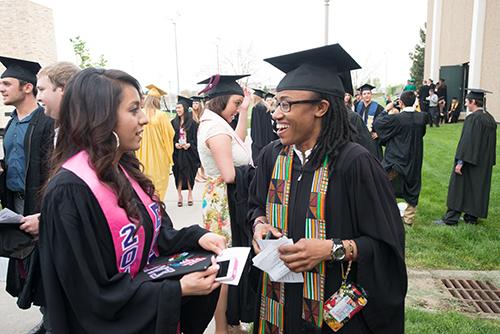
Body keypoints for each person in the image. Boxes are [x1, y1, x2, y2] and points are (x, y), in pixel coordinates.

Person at [39, 68, 225, 333]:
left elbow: (153, 238)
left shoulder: (124, 170)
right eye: (133, 109)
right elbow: (89, 296)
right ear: (100, 118)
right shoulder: (71, 190)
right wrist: (176, 290)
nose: (144, 119)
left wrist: (196, 237)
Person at [250, 44, 407, 334]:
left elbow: (387, 246)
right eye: (275, 103)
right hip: (277, 305)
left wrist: (332, 250)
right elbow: (256, 205)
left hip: (333, 313)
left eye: (286, 104)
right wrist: (259, 225)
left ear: (321, 108)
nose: (275, 114)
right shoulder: (272, 156)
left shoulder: (355, 164)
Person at [0, 56, 55, 333]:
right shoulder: (10, 125)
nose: (2, 88)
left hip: (40, 205)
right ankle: (49, 317)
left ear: (27, 88)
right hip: (17, 204)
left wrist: (48, 212)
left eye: (7, 83)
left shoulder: (46, 123)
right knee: (27, 265)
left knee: (48, 265)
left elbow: (53, 170)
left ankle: (52, 319)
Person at [197, 74, 253, 333]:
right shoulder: (216, 128)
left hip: (220, 199)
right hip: (224, 204)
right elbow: (230, 173)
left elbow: (237, 142)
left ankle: (230, 322)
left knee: (229, 264)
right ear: (221, 101)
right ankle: (222, 327)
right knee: (226, 265)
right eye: (235, 103)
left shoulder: (216, 123)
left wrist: (244, 111)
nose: (236, 108)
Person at [435, 88, 497, 226]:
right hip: (482, 162)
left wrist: (460, 161)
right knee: (477, 188)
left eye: (467, 102)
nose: (466, 105)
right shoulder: (490, 119)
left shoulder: (473, 119)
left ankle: (451, 218)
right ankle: (471, 218)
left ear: (473, 101)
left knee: (459, 187)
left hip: (469, 159)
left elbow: (468, 142)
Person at [373, 91, 428, 226]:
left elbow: (378, 124)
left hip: (396, 159)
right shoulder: (422, 118)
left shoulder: (397, 119)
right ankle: (409, 218)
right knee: (412, 184)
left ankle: (386, 214)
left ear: (401, 103)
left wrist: (387, 109)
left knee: (383, 183)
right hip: (414, 158)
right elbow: (422, 133)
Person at [136, 84, 175, 202]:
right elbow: (170, 133)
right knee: (159, 180)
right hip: (159, 155)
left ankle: (148, 202)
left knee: (144, 178)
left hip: (141, 153)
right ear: (157, 100)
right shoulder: (161, 115)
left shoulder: (139, 113)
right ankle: (158, 203)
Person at [171, 95, 199, 207]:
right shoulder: (173, 123)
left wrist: (189, 145)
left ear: (185, 108)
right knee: (178, 174)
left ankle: (190, 194)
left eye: (179, 107)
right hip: (178, 153)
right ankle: (179, 196)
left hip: (189, 153)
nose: (177, 110)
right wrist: (175, 144)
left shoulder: (193, 124)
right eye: (176, 108)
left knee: (189, 174)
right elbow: (170, 139)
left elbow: (196, 140)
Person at [355, 83, 384, 159]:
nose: (367, 95)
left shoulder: (378, 107)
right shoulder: (357, 106)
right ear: (361, 96)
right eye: (364, 94)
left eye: (368, 93)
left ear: (371, 94)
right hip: (360, 139)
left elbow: (385, 122)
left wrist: (378, 133)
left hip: (373, 140)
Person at [250, 88, 278, 163]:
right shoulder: (265, 107)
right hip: (266, 138)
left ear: (255, 97)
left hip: (259, 140)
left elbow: (256, 126)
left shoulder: (256, 108)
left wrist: (256, 141)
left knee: (258, 161)